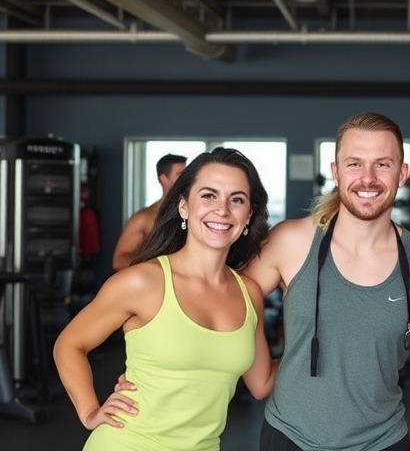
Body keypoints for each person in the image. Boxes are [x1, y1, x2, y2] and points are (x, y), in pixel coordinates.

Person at [243, 112, 410, 450]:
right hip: (289, 437)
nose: (368, 178)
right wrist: (261, 376)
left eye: (382, 165)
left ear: (402, 174)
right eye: (355, 164)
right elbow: (232, 297)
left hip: (382, 442)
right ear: (336, 172)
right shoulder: (291, 242)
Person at [53, 147, 276, 451]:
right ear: (184, 206)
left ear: (248, 215)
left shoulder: (249, 293)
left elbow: (261, 383)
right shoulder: (142, 282)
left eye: (236, 199)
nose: (222, 210)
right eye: (208, 195)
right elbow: (69, 344)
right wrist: (89, 411)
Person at [112, 153, 188, 271]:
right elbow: (119, 260)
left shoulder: (195, 213)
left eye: (186, 175)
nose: (184, 180)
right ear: (164, 179)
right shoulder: (143, 218)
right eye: (179, 175)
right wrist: (157, 272)